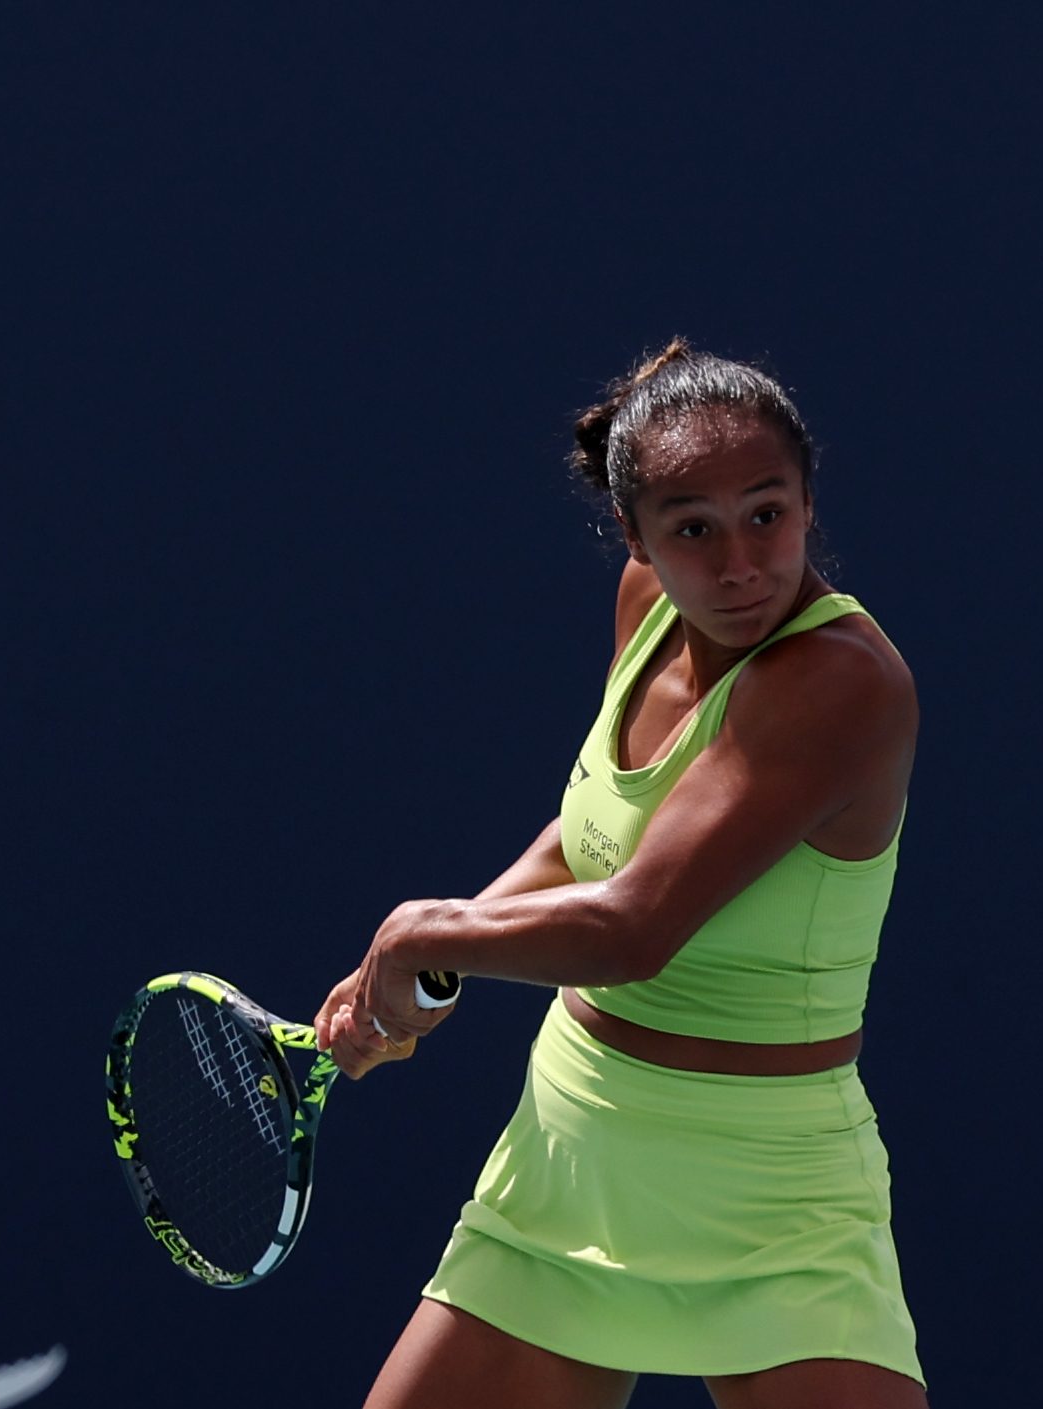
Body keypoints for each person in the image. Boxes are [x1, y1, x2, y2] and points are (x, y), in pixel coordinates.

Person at [314, 340, 928, 1409]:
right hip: (573, 1152)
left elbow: (633, 924)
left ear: (807, 502)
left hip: (770, 1191)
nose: (739, 560)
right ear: (632, 535)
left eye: (766, 513)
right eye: (692, 527)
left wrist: (425, 933)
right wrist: (436, 962)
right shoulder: (647, 605)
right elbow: (596, 835)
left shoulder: (842, 685)